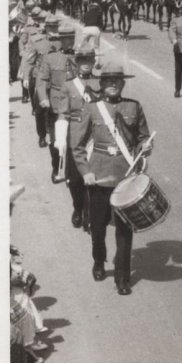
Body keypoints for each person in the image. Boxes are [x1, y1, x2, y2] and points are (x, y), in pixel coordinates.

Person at [71, 63, 152, 295]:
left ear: (123, 84)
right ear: (101, 84)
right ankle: (99, 260)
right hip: (98, 177)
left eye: (117, 80)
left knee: (125, 230)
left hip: (125, 177)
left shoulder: (133, 107)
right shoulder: (91, 109)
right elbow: (76, 146)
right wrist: (85, 171)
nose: (113, 84)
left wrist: (145, 148)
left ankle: (122, 278)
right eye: (108, 81)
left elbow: (143, 138)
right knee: (97, 228)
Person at [55, 44, 99, 230]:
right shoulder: (68, 85)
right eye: (82, 60)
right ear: (77, 63)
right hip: (75, 139)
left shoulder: (101, 83)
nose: (86, 63)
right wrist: (60, 136)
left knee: (94, 178)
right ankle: (77, 207)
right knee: (74, 180)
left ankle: (92, 213)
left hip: (95, 139)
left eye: (89, 59)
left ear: (94, 61)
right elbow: (63, 113)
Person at [36, 21, 77, 183]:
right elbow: (41, 80)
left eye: (72, 37)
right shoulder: (51, 58)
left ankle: (71, 171)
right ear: (60, 40)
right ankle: (56, 168)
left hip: (75, 105)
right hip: (56, 106)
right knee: (55, 141)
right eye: (67, 38)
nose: (70, 41)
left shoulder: (80, 56)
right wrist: (43, 98)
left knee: (75, 140)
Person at [21, 13, 59, 148]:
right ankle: (42, 135)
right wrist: (26, 76)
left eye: (55, 27)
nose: (53, 29)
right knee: (39, 111)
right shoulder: (37, 42)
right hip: (41, 81)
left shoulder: (64, 41)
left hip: (59, 81)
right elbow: (29, 60)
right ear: (46, 28)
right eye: (50, 27)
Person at [168, 0, 182, 98]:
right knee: (178, 70)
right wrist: (173, 40)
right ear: (180, 9)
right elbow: (172, 30)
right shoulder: (175, 19)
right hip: (179, 48)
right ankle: (177, 89)